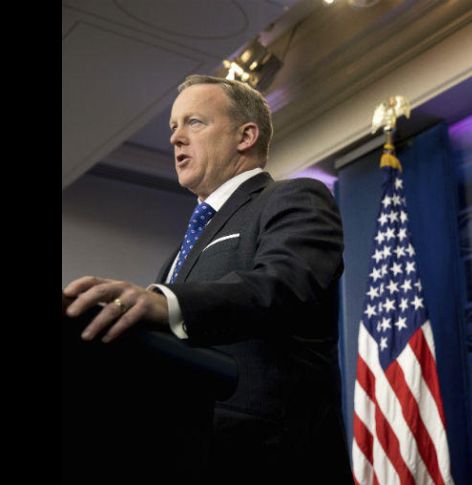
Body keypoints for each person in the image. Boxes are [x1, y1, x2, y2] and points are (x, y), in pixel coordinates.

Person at [63, 74, 352, 482]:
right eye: (173, 127)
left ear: (245, 136)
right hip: (188, 455)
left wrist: (167, 303)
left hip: (271, 460)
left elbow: (283, 285)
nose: (175, 138)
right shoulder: (178, 254)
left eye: (194, 122)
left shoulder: (295, 197)